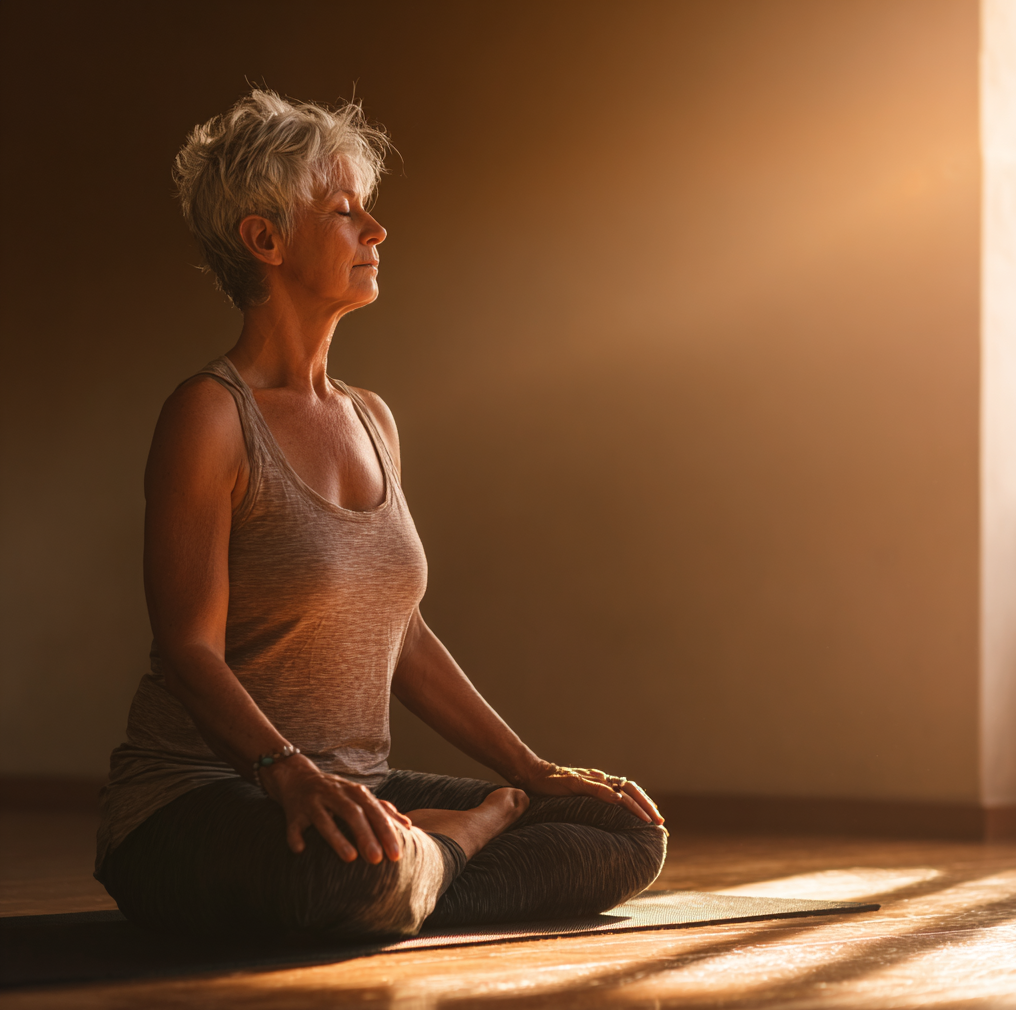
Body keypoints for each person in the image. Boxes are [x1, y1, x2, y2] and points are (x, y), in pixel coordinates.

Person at [96, 89, 667, 938]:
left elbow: (401, 633)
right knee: (347, 874)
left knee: (625, 832)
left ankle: (422, 864)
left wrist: (531, 769)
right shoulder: (210, 416)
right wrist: (290, 777)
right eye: (345, 212)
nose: (377, 231)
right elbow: (187, 650)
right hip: (199, 801)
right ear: (266, 239)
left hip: (358, 796)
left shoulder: (372, 418)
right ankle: (452, 845)